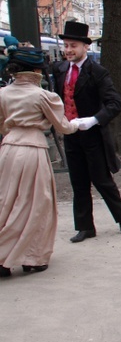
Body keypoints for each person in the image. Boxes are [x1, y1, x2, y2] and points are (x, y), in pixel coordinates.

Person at [0, 48, 80, 277]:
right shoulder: (43, 96)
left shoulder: (3, 93)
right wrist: (80, 124)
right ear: (37, 70)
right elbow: (63, 126)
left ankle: (3, 259)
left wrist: (12, 132)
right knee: (36, 203)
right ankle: (31, 257)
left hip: (8, 148)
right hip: (33, 150)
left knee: (6, 201)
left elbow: (1, 123)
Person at [50, 21, 121, 243]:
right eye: (66, 45)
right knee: (78, 181)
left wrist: (93, 120)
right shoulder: (60, 71)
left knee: (102, 180)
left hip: (93, 136)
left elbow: (115, 103)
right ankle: (85, 227)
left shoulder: (97, 72)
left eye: (72, 45)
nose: (68, 50)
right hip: (71, 135)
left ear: (85, 47)